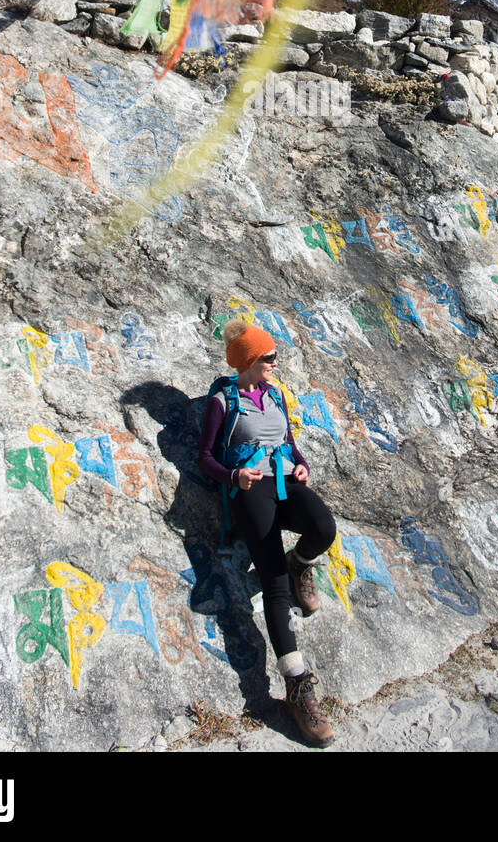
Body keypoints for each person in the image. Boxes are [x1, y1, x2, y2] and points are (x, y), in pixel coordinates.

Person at [198, 317, 338, 746]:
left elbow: (290, 442)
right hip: (252, 491)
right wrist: (233, 475)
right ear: (250, 361)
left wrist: (302, 465)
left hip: (284, 480)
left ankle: (301, 563)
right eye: (269, 357)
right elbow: (205, 457)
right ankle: (297, 685)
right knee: (274, 585)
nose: (276, 363)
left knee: (323, 526)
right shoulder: (224, 402)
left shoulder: (275, 394)